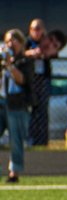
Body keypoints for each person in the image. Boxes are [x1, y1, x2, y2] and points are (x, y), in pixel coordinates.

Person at [1, 29, 34, 182]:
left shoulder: (25, 61)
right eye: (7, 40)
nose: (10, 44)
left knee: (15, 139)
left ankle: (14, 172)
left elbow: (22, 80)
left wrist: (10, 65)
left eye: (14, 40)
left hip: (17, 104)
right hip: (2, 101)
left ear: (21, 43)